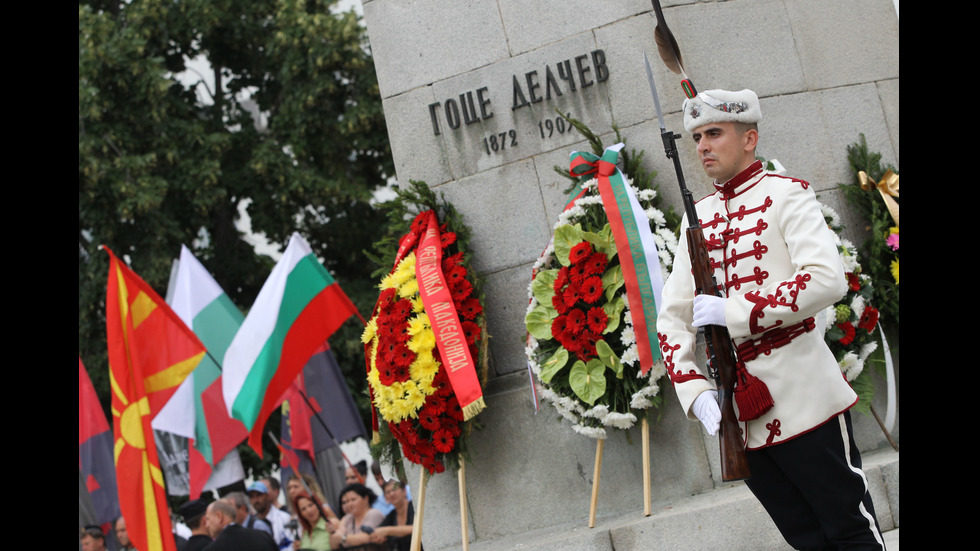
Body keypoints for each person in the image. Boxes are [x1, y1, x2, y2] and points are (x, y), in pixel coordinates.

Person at [656, 88, 885, 550]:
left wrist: (736, 313)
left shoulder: (786, 195)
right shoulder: (696, 218)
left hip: (803, 398)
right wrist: (696, 393)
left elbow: (826, 279)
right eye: (697, 136)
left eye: (714, 133)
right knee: (806, 540)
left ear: (749, 138)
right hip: (739, 416)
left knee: (849, 531)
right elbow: (672, 318)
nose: (701, 145)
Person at [203, 500, 277, 551]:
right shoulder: (263, 536)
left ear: (219, 516)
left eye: (208, 519)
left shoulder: (213, 549)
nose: (206, 525)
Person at [329, 483, 385, 551]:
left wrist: (343, 538)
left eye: (353, 500)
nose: (349, 504)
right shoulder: (347, 518)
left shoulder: (374, 513)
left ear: (366, 499)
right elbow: (335, 542)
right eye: (346, 502)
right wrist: (333, 533)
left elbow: (367, 538)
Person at [369, 480, 417, 551]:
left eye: (394, 489)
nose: (391, 494)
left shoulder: (414, 507)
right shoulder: (391, 514)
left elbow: (418, 528)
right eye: (388, 492)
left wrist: (388, 531)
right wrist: (379, 537)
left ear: (404, 491)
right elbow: (378, 532)